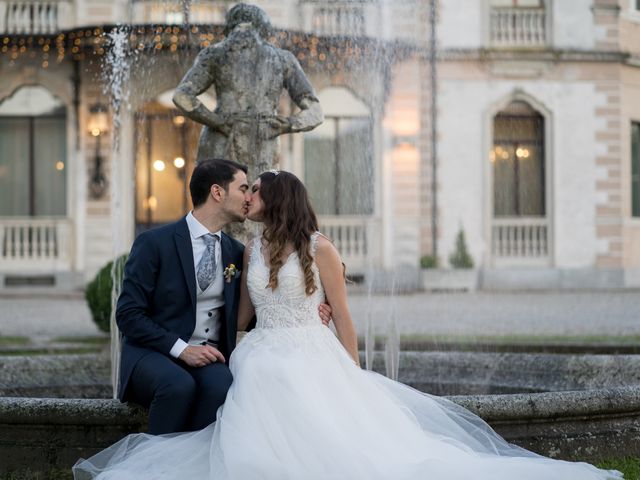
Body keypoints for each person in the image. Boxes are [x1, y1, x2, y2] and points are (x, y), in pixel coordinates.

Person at [74, 171, 622, 479]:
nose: (249, 196)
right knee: (248, 382)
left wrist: (351, 369)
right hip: (262, 346)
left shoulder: (320, 249)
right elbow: (239, 318)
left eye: (256, 189)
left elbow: (345, 317)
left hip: (306, 348)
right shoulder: (247, 249)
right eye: (244, 188)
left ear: (276, 198)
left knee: (301, 406)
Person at [113, 159, 330, 436]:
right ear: (217, 192)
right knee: (177, 385)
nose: (249, 197)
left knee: (223, 385)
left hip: (209, 356)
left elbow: (260, 307)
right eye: (243, 188)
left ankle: (199, 465)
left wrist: (312, 307)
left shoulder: (237, 252)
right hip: (153, 353)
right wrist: (183, 350)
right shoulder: (154, 243)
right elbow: (128, 314)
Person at [173, 3, 323, 173]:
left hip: (221, 141)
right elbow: (316, 112)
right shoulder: (283, 59)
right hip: (263, 142)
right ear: (264, 28)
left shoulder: (214, 53)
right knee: (259, 195)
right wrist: (288, 124)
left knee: (218, 194)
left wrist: (217, 122)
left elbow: (181, 96)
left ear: (229, 27)